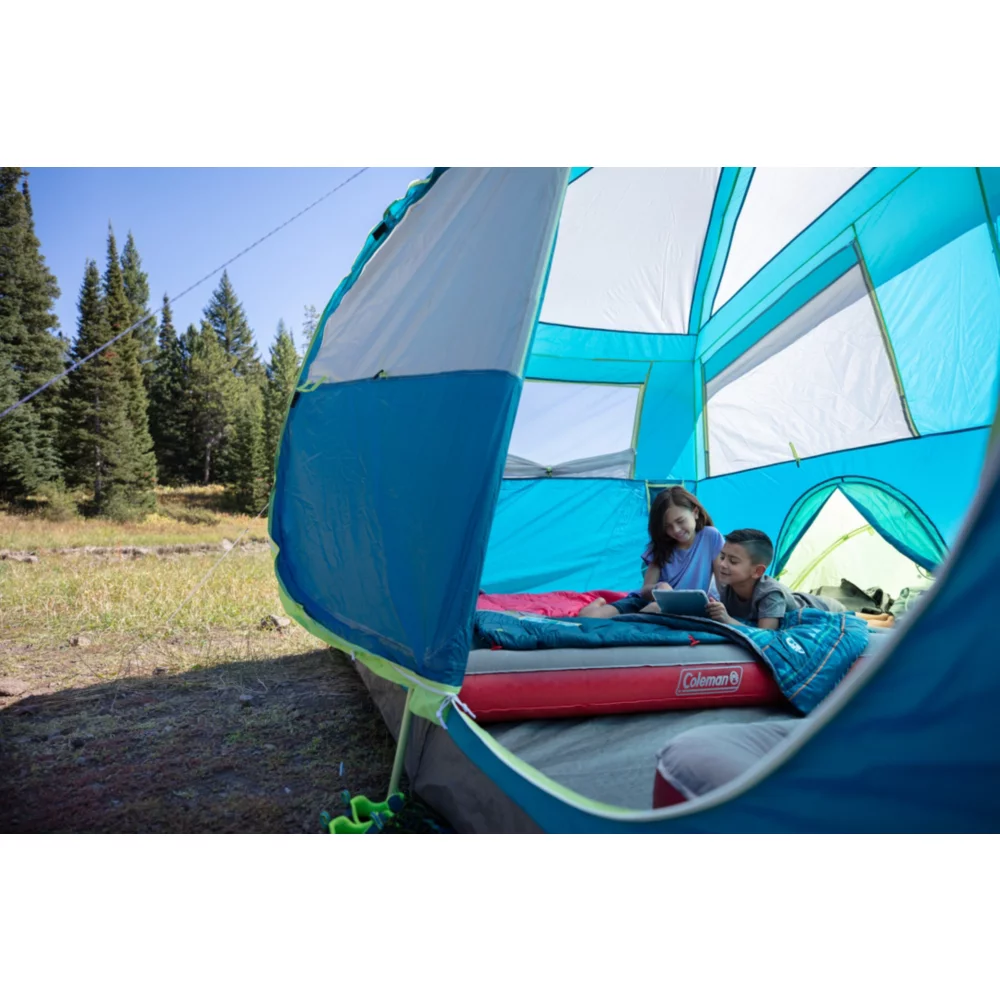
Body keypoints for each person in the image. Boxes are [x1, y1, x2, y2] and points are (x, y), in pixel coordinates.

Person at [579, 486, 724, 618]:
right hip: (647, 601)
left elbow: (722, 582)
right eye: (667, 526)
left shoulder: (711, 536)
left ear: (695, 513)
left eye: (680, 521)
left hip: (682, 608)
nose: (676, 530)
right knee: (588, 617)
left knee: (653, 611)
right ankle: (599, 602)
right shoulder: (661, 546)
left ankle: (638, 617)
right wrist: (658, 588)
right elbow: (645, 590)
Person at [707, 528, 845, 630]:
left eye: (733, 561)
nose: (723, 564)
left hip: (829, 608)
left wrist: (727, 620)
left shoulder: (770, 594)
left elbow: (767, 634)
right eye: (722, 557)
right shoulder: (728, 585)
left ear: (757, 571)